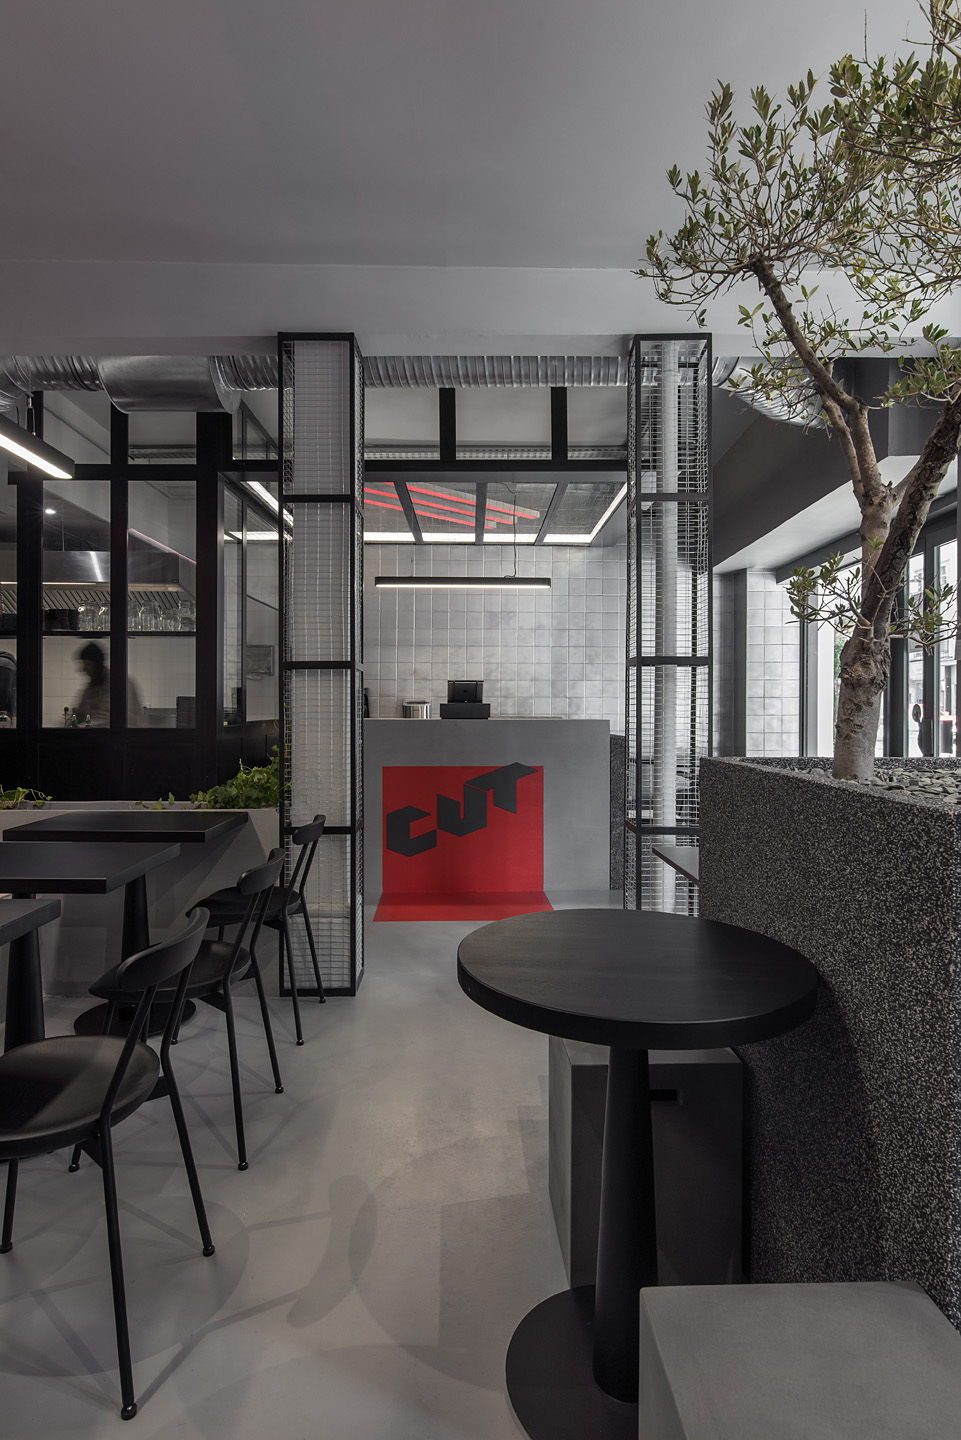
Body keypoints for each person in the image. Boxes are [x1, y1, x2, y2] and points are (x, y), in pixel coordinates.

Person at [71, 641, 145, 727]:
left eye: (87, 664)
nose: (83, 669)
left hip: (127, 734)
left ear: (97, 665)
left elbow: (111, 717)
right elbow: (80, 712)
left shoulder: (120, 684)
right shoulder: (92, 687)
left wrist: (80, 727)